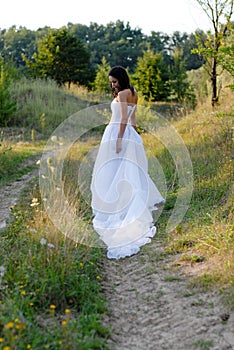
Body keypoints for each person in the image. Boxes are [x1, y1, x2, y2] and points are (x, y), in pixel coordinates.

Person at [90, 66, 165, 259]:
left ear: (121, 79)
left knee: (114, 170)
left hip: (117, 133)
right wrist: (135, 135)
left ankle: (116, 203)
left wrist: (120, 139)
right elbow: (133, 119)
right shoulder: (134, 93)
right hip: (128, 134)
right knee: (124, 171)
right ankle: (121, 199)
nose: (112, 85)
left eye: (114, 81)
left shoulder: (123, 94)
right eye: (111, 82)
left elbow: (124, 118)